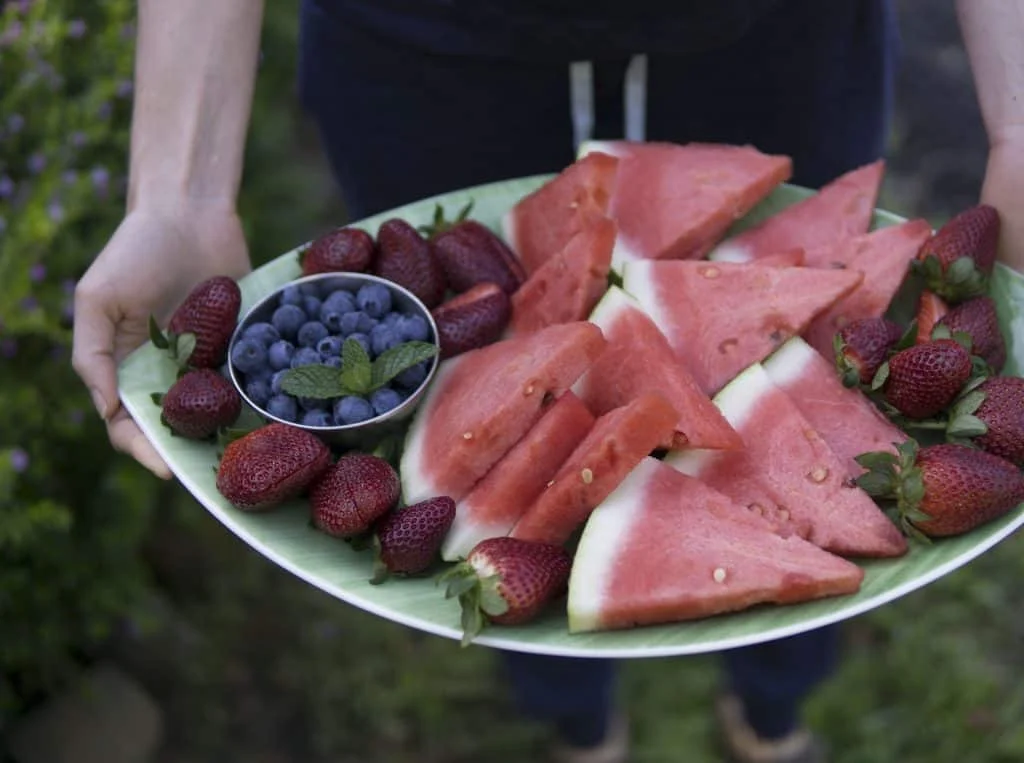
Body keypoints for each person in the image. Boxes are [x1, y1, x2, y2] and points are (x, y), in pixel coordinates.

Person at [71, 1, 1023, 762]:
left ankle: (772, 712)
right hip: (424, 58)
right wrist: (180, 194)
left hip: (777, 40)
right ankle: (578, 722)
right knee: (510, 537)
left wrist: (1021, 130)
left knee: (807, 494)